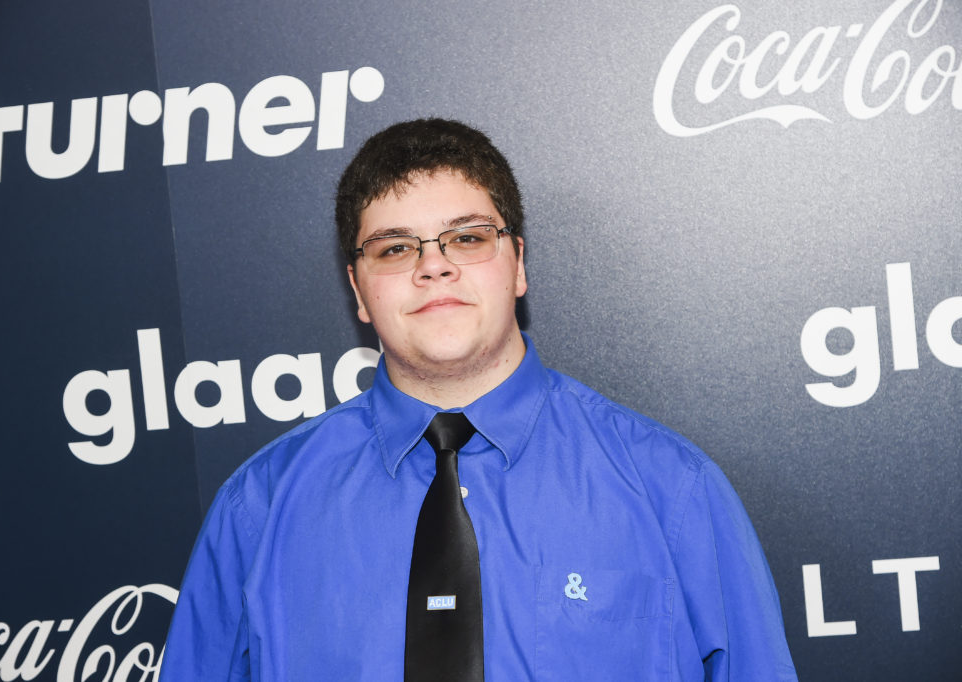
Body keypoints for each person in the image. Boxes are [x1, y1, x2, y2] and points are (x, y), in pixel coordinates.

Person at [159, 118, 798, 681]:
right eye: (395, 248)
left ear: (517, 264)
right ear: (357, 290)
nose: (433, 267)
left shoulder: (672, 492)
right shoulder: (260, 510)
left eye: (467, 238)